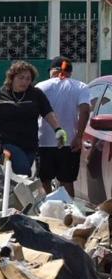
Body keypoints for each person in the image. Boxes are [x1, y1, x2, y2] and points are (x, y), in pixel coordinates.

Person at [0, 61, 66, 176]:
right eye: (21, 78)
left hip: (29, 144)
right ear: (12, 78)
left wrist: (58, 129)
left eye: (28, 79)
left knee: (22, 175)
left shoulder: (36, 94)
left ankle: (7, 193)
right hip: (5, 142)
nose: (25, 82)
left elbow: (48, 113)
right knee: (23, 171)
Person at [36, 57, 90, 196]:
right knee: (67, 181)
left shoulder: (41, 86)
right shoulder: (80, 86)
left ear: (53, 71)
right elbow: (85, 110)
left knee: (45, 180)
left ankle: (46, 213)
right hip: (69, 142)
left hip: (44, 142)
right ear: (69, 72)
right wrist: (79, 136)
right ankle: (68, 213)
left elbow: (32, 112)